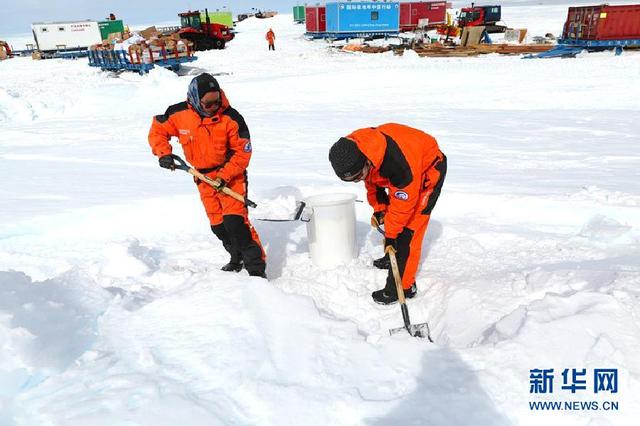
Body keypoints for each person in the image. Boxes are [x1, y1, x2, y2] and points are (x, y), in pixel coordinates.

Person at [148, 73, 266, 278]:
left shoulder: (231, 118)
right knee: (218, 226)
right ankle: (236, 257)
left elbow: (242, 153)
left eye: (217, 101)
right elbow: (158, 129)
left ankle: (256, 269)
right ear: (194, 99)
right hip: (202, 178)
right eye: (208, 103)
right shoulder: (179, 113)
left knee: (235, 223)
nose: (214, 107)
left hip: (231, 175)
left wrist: (224, 176)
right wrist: (163, 153)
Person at [328, 124, 446, 304]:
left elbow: (403, 205)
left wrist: (391, 236)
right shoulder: (353, 149)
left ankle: (403, 288)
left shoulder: (397, 165)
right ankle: (393, 259)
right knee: (393, 220)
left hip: (427, 171)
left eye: (358, 176)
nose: (358, 180)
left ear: (366, 162)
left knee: (409, 231)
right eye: (352, 180)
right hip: (402, 169)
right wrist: (380, 208)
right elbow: (371, 181)